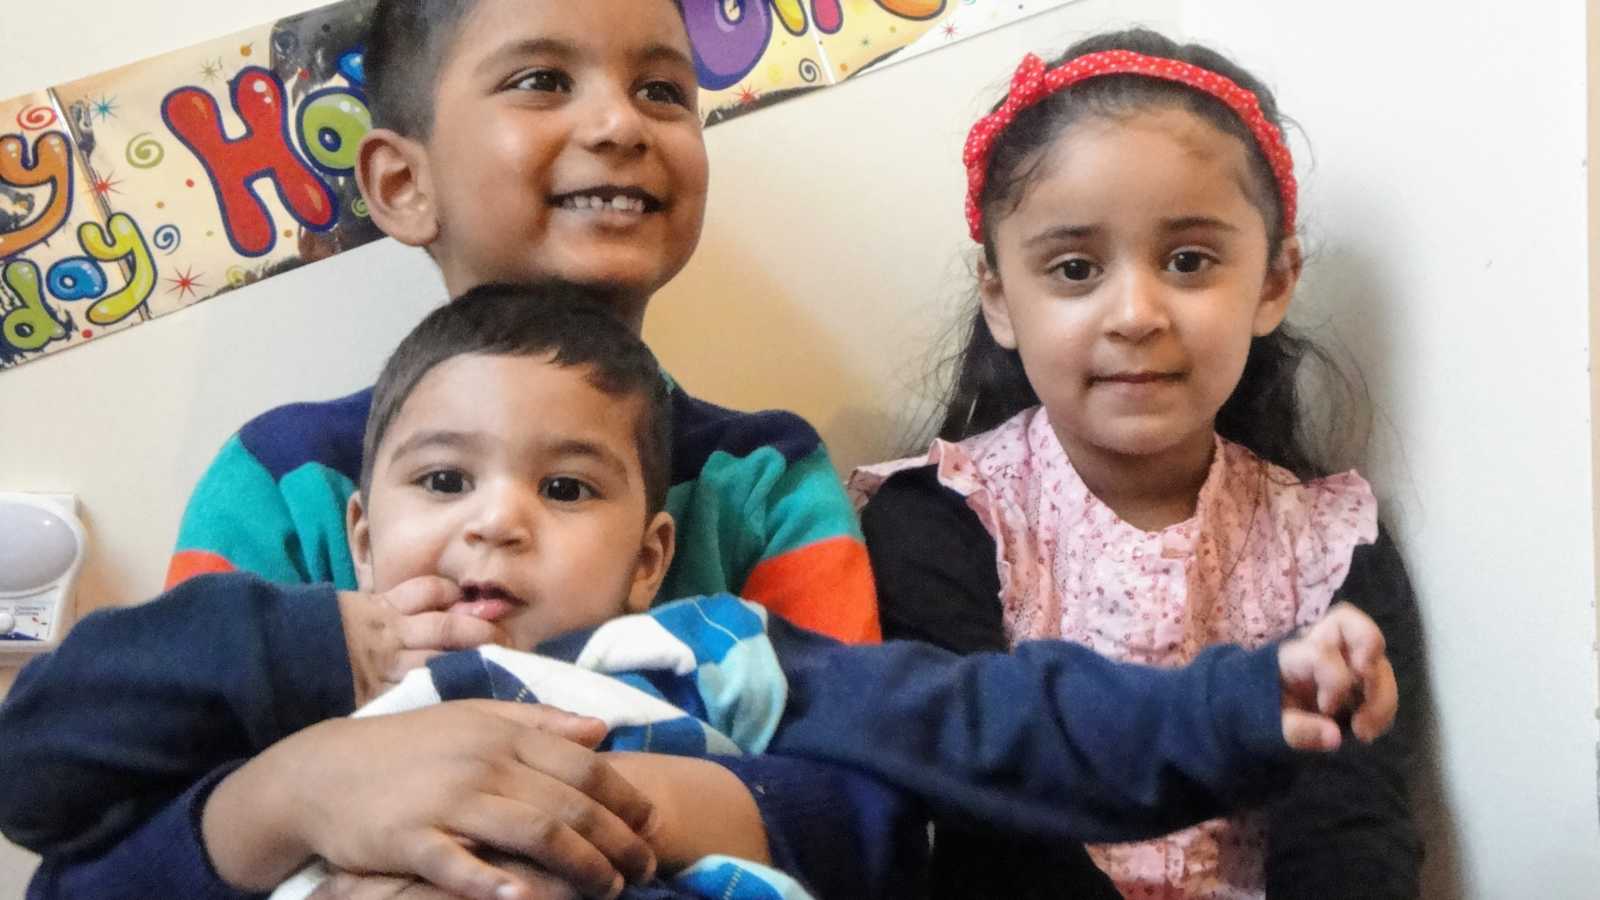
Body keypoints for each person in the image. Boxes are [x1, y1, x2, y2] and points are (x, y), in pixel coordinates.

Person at [0, 290, 1401, 900]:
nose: (495, 521)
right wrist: (298, 678)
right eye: (441, 483)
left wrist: (1233, 704)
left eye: (563, 491)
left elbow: (991, 724)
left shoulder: (706, 655)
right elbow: (45, 786)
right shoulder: (286, 698)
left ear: (651, 553)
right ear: (358, 531)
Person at [855, 29, 1424, 900]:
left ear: (1273, 281)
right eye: (1076, 268)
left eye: (1189, 261)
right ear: (1001, 297)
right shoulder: (940, 519)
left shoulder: (1330, 547)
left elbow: (1354, 834)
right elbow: (988, 819)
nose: (1135, 312)